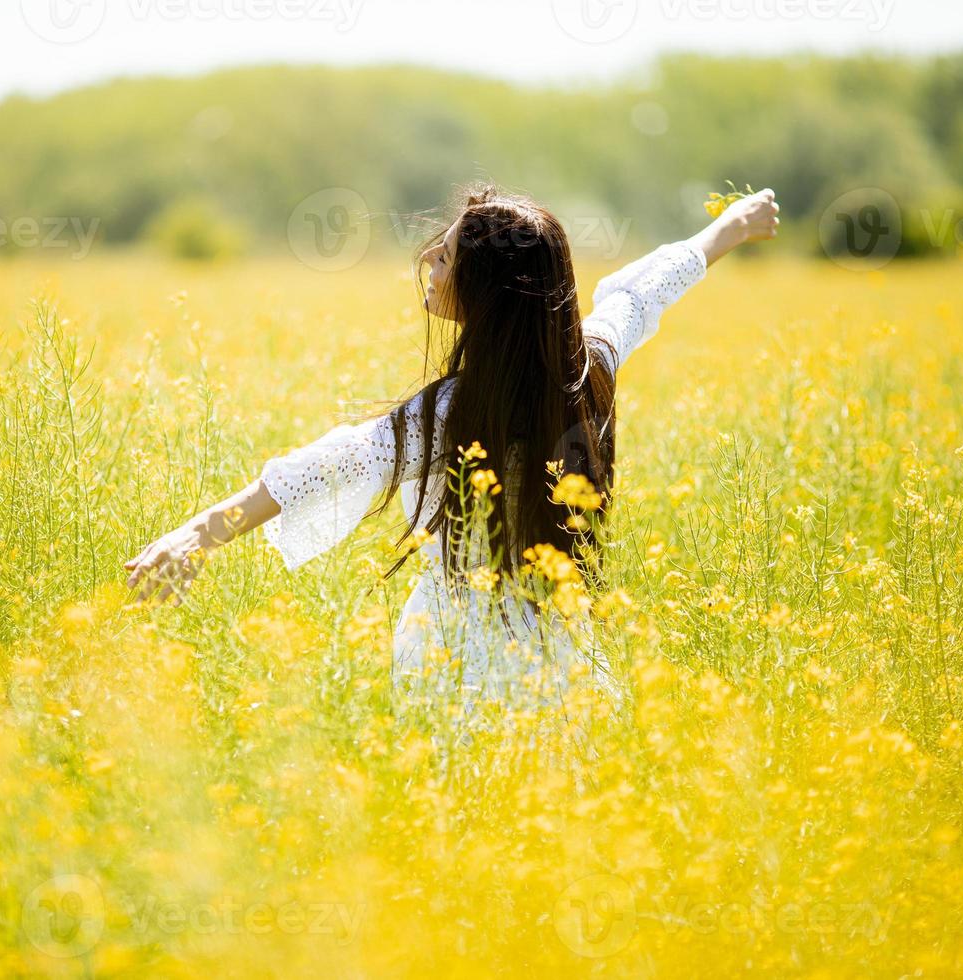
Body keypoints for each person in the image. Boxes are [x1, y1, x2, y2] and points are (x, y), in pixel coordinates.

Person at [125, 183, 780, 704]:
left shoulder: (446, 414)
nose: (427, 267)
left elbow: (328, 464)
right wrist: (731, 228)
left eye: (445, 260)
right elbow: (639, 291)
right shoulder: (591, 368)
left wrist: (199, 534)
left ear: (491, 294)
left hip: (452, 661)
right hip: (560, 658)